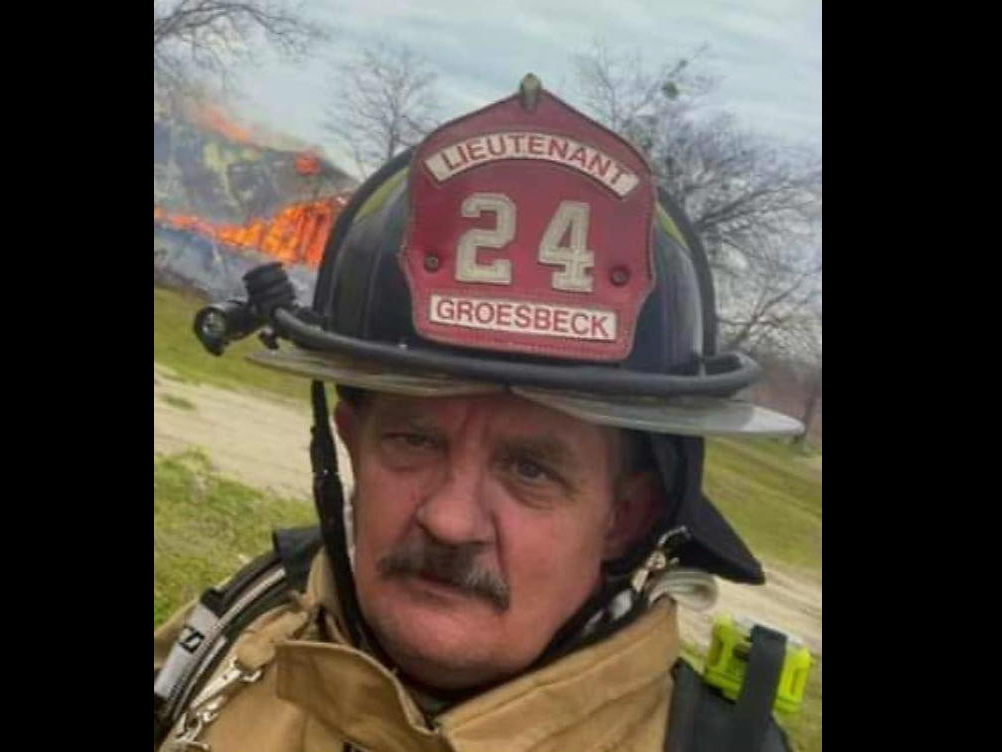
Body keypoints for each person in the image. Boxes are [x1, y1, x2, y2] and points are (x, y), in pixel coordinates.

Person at [154, 74, 803, 752]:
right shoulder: (240, 626)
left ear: (627, 517)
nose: (449, 520)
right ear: (350, 444)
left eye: (530, 469)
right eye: (412, 439)